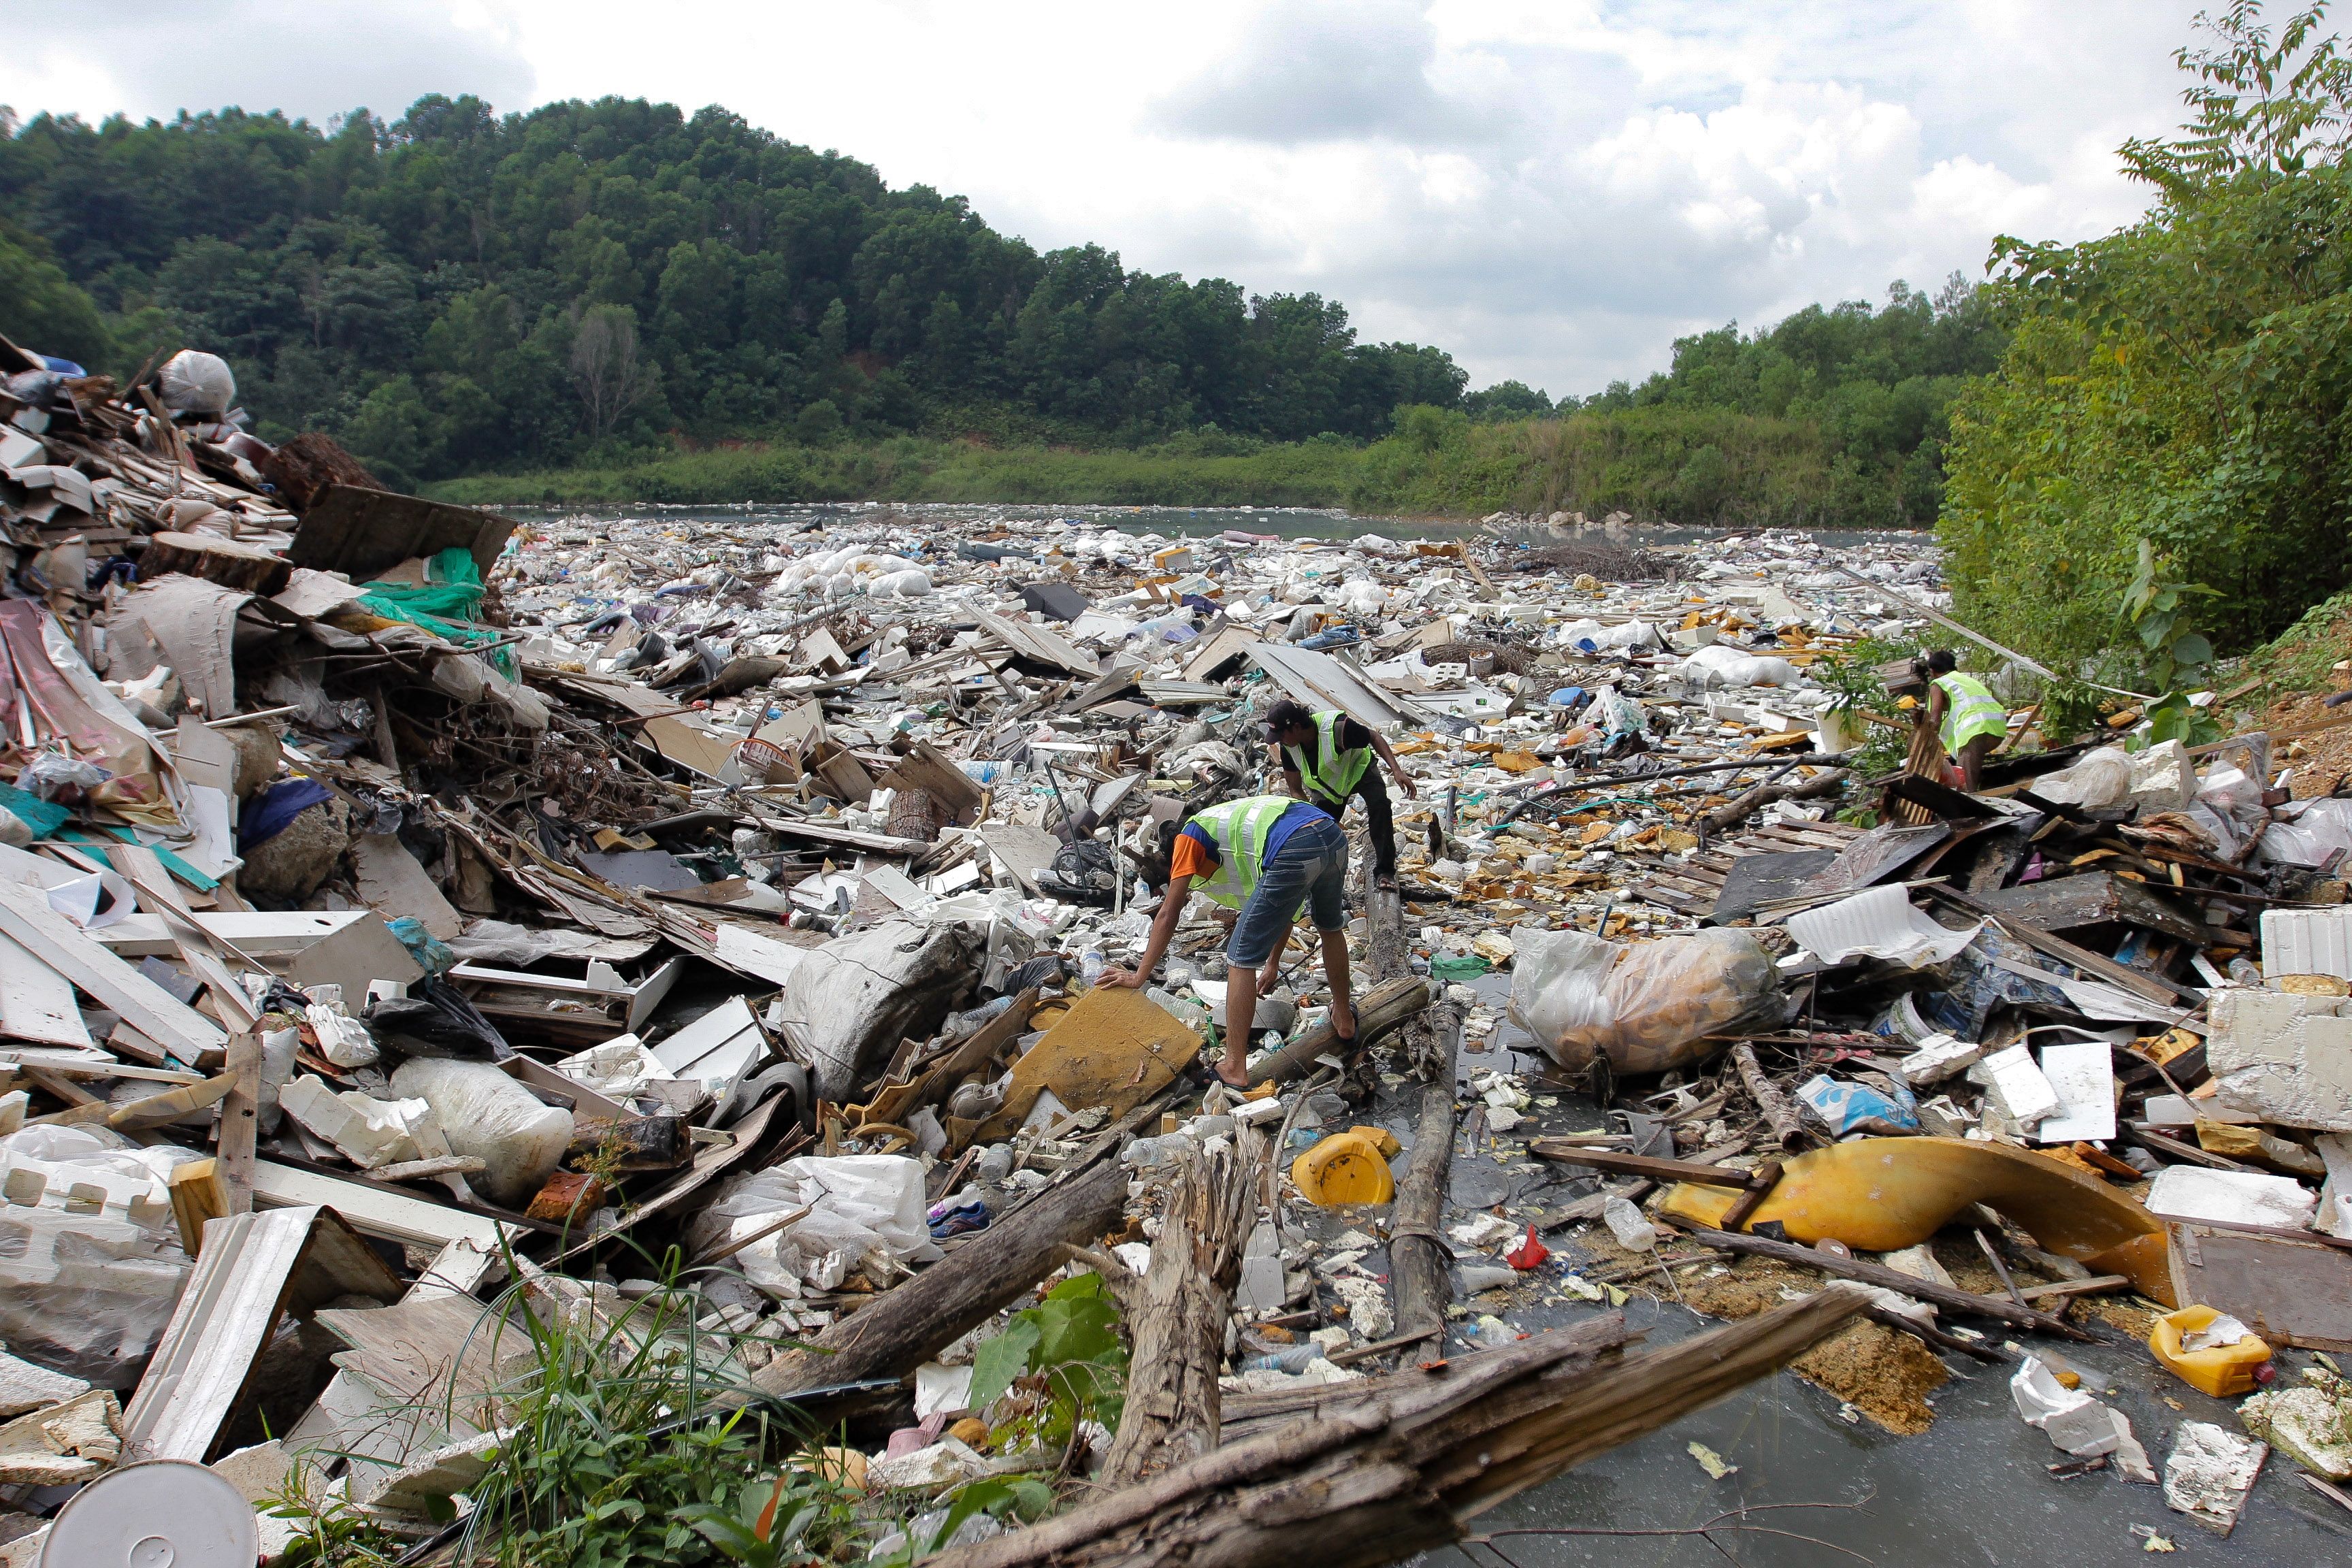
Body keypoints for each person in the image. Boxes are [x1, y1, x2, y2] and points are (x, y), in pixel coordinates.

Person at [1100, 793, 1356, 1089]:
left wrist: (1138, 976)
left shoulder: (1188, 837)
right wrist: (1272, 964)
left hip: (1293, 844)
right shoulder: (1235, 841)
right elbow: (1286, 911)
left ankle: (1234, 1066)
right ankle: (1344, 1017)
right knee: (1331, 928)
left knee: (1239, 956)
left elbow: (1168, 914)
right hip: (1330, 833)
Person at [1263, 699, 1416, 891]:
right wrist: (1308, 818)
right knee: (1317, 831)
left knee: (1380, 806)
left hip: (1360, 770)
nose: (1279, 741)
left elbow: (1374, 738)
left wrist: (1397, 771)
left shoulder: (1338, 729)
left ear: (1296, 727)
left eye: (1281, 735)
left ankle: (1385, 870)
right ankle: (1320, 883)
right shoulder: (1288, 748)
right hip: (1330, 789)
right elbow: (1296, 790)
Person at [1917, 649, 2008, 789]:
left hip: (1974, 731)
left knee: (1965, 786)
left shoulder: (1939, 684)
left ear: (1932, 672)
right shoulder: (1967, 680)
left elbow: (1934, 720)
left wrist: (1923, 739)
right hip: (1997, 730)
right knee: (1970, 777)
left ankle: (1974, 810)